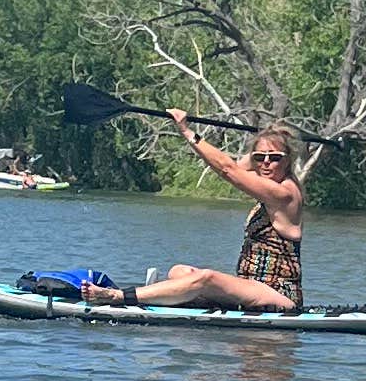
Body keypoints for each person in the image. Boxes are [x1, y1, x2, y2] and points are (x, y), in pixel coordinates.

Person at [95, 115, 307, 309]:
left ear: (288, 160)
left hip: (279, 292)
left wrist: (187, 131)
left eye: (275, 158)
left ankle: (120, 296)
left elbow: (229, 169)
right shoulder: (271, 180)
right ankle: (175, 296)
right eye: (260, 157)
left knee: (206, 278)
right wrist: (268, 141)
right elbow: (240, 165)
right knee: (179, 271)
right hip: (249, 285)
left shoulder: (284, 194)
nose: (266, 163)